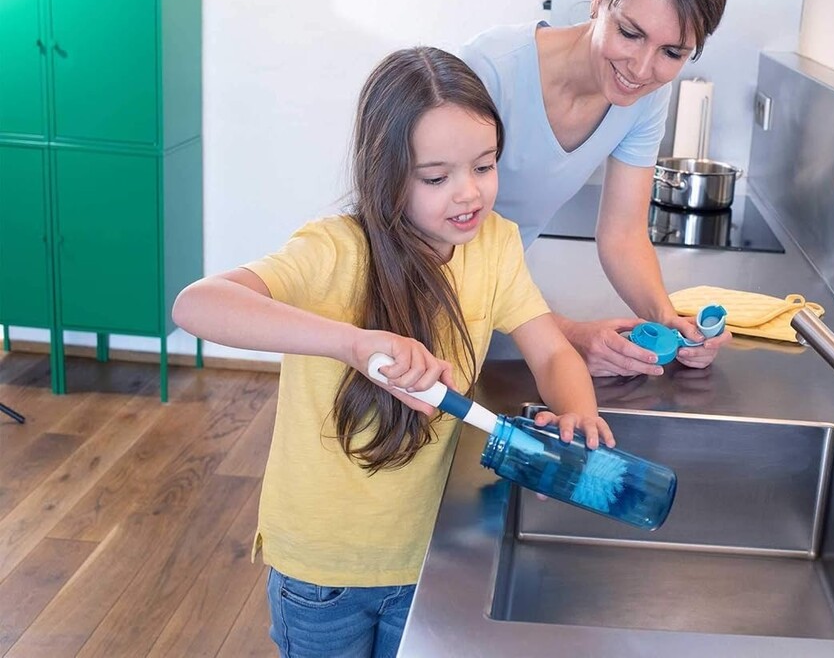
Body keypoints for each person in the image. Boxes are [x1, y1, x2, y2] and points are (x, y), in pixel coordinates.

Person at [172, 48, 613, 658]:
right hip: (321, 570)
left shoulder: (495, 245)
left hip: (426, 555)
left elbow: (552, 353)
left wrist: (577, 414)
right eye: (435, 178)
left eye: (484, 166)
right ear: (386, 173)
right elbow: (197, 305)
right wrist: (353, 344)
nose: (468, 193)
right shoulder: (335, 250)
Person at [460, 0, 734, 379]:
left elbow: (623, 235)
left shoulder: (646, 97)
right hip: (422, 298)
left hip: (496, 307)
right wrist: (566, 334)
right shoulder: (490, 72)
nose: (641, 69)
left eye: (672, 52)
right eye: (630, 33)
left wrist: (667, 319)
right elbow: (430, 239)